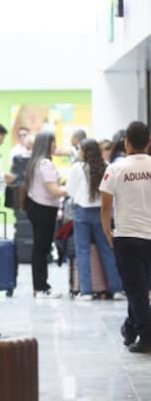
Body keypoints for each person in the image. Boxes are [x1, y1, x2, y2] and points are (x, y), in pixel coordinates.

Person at [100, 121, 151, 353]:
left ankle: (146, 335)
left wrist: (107, 232)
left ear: (126, 142)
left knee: (135, 289)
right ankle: (130, 328)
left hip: (127, 237)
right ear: (149, 143)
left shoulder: (115, 168)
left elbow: (105, 206)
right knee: (140, 288)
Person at [66, 138, 123, 300]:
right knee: (107, 249)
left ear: (85, 151)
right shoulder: (106, 166)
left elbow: (70, 191)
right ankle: (117, 289)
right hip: (101, 213)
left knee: (83, 252)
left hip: (82, 213)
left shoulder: (78, 167)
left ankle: (86, 292)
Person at [24, 131, 68, 297]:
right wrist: (72, 189)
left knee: (39, 248)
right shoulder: (45, 164)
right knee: (42, 248)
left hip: (35, 207)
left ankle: (41, 286)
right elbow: (53, 190)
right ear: (47, 144)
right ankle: (40, 287)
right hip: (44, 209)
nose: (55, 146)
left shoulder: (34, 162)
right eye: (53, 142)